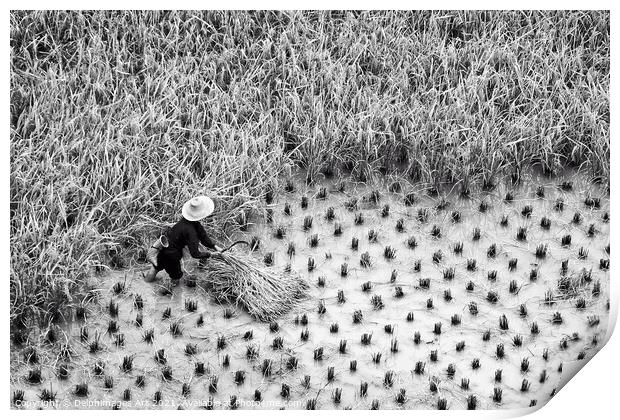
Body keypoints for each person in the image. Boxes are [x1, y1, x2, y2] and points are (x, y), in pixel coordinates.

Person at [144, 195, 222, 283]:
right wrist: (210, 254)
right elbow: (195, 254)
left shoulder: (188, 222)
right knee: (176, 277)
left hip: (164, 248)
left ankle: (146, 284)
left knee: (155, 268)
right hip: (172, 255)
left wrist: (214, 246)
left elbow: (203, 236)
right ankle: (169, 293)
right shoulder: (191, 232)